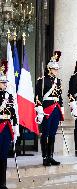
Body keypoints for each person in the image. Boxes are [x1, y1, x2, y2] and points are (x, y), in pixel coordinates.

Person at [35, 51, 64, 166]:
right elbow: (38, 97)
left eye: (57, 69)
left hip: (56, 110)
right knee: (45, 134)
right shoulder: (42, 81)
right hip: (46, 110)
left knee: (52, 134)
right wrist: (40, 110)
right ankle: (44, 157)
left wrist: (61, 108)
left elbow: (60, 97)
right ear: (49, 69)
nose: (56, 71)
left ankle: (51, 156)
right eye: (55, 69)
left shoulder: (58, 81)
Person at [0, 59, 18, 188]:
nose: (5, 84)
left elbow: (13, 112)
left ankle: (3, 183)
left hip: (6, 127)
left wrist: (15, 125)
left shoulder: (9, 96)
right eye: (2, 82)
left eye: (5, 82)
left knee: (4, 156)